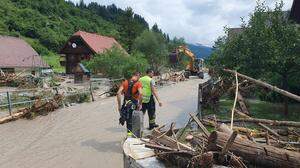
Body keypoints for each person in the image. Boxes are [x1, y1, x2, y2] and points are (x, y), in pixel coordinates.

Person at [117, 72, 143, 137]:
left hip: (125, 103)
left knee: (128, 120)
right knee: (135, 119)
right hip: (134, 103)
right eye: (139, 76)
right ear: (138, 75)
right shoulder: (138, 83)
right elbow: (141, 93)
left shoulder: (125, 82)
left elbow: (118, 93)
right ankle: (136, 136)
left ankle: (129, 136)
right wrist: (140, 104)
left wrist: (119, 105)